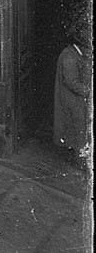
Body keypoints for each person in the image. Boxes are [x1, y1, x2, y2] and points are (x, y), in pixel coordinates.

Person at [54, 18, 90, 162]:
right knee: (75, 128)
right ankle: (77, 157)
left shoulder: (77, 53)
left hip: (74, 100)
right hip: (71, 100)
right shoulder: (69, 57)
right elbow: (71, 82)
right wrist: (88, 91)